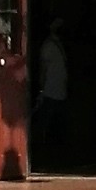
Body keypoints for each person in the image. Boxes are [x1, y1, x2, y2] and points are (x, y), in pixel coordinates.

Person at [35, 22, 71, 171]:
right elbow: (43, 69)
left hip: (60, 88)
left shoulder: (58, 44)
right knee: (47, 121)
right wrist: (41, 89)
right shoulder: (48, 46)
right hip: (50, 89)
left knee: (57, 121)